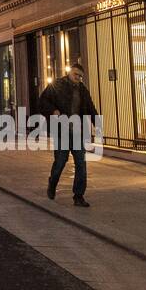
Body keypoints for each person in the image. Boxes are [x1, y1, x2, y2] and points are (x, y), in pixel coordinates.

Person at [37, 62, 98, 207]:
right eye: (76, 74)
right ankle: (52, 183)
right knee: (60, 162)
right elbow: (42, 101)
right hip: (62, 131)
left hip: (77, 132)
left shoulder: (82, 90)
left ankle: (78, 196)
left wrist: (98, 123)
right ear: (70, 72)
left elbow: (90, 107)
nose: (78, 78)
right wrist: (53, 110)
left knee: (81, 164)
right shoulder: (57, 85)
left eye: (80, 76)